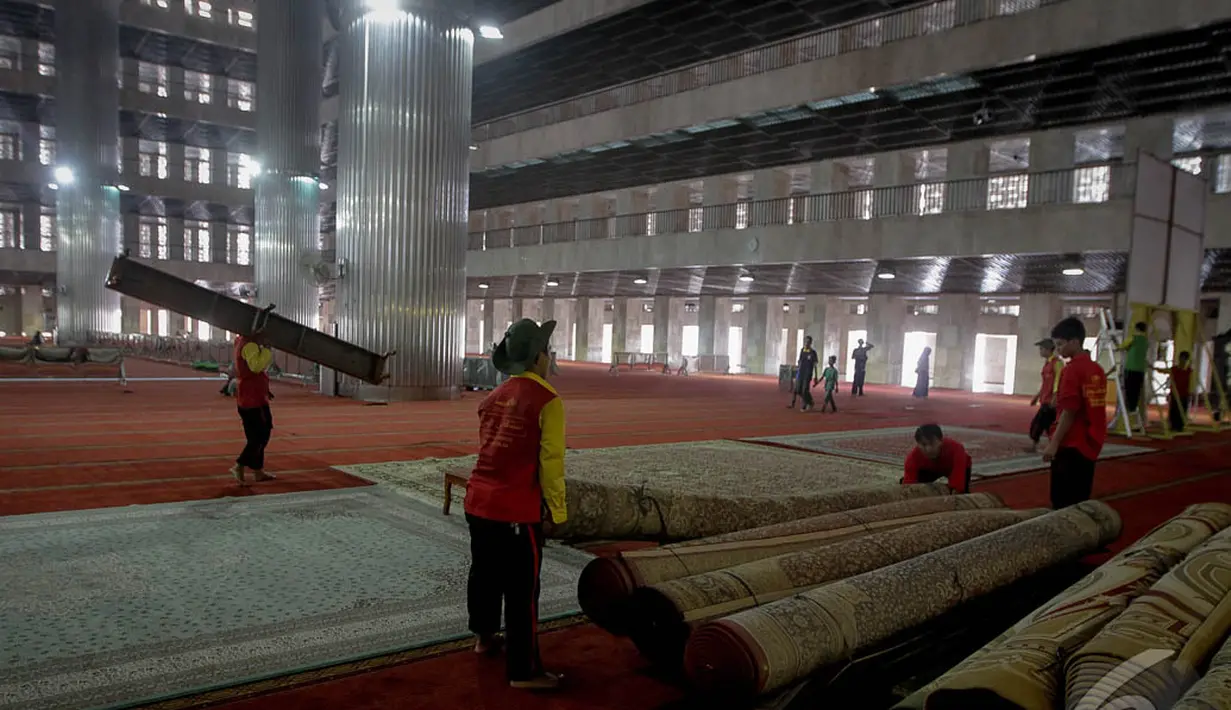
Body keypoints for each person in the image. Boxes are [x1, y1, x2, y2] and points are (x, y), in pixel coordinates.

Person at [464, 318, 568, 691]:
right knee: (523, 591)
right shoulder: (548, 401)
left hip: (478, 502)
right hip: (515, 511)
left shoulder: (492, 397)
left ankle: (484, 638)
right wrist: (558, 511)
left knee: (484, 575)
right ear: (540, 356)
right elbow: (551, 463)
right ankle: (524, 670)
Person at [1043, 317, 1107, 509]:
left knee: (1062, 503)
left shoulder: (1072, 370)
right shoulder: (1097, 369)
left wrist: (1054, 444)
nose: (1059, 349)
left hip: (1072, 444)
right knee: (1080, 500)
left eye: (1060, 344)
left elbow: (1070, 412)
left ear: (1074, 342)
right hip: (1090, 443)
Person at [230, 331, 277, 485]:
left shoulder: (241, 341)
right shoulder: (249, 345)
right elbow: (256, 366)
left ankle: (258, 471)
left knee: (259, 434)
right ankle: (239, 465)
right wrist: (267, 350)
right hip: (252, 400)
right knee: (259, 436)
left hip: (253, 396)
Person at [902, 423, 971, 493]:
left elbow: (958, 483)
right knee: (909, 486)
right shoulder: (913, 458)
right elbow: (908, 487)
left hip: (954, 467)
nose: (928, 449)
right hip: (930, 469)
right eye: (923, 444)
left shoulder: (957, 449)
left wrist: (956, 490)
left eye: (932, 443)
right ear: (917, 444)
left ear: (941, 441)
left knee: (962, 492)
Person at [1027, 338, 1064, 452]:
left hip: (1050, 400)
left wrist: (1055, 396)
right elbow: (1045, 383)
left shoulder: (1057, 363)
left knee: (1039, 423)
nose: (1040, 351)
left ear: (1048, 349)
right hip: (1045, 398)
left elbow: (1058, 380)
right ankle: (1053, 446)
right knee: (1048, 425)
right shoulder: (1047, 363)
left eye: (1042, 349)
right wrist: (1037, 396)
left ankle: (1040, 445)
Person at [1119, 321, 1149, 421]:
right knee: (1136, 393)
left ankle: (1128, 412)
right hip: (1140, 370)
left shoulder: (1133, 338)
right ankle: (1133, 410)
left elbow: (1121, 346)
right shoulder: (1146, 341)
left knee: (1128, 391)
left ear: (1136, 329)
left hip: (1131, 369)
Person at [1162, 351, 1193, 432]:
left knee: (1182, 410)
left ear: (1187, 360)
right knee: (1173, 410)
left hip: (1184, 394)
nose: (1182, 361)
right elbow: (1164, 371)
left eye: (1184, 359)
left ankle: (1180, 426)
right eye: (1181, 358)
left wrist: (1190, 393)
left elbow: (1190, 383)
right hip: (1175, 394)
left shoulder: (1189, 370)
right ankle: (1173, 425)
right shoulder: (1174, 369)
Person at [788, 336, 820, 411]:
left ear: (811, 343)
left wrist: (816, 376)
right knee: (798, 390)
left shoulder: (813, 353)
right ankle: (810, 401)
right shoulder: (802, 350)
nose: (806, 343)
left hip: (807, 374)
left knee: (805, 389)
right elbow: (800, 362)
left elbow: (815, 365)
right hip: (801, 373)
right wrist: (797, 374)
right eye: (805, 341)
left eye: (808, 342)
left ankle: (806, 404)